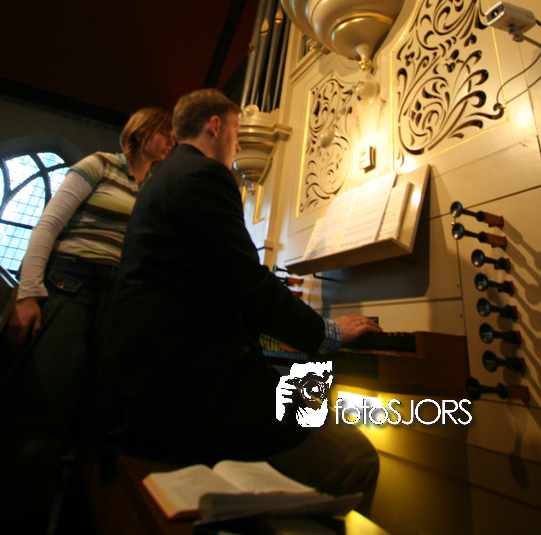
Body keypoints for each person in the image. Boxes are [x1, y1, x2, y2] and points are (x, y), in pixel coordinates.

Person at [95, 89, 382, 513]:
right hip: (187, 396)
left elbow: (225, 286)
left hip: (155, 382)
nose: (238, 146)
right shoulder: (204, 175)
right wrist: (330, 333)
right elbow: (250, 286)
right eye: (237, 133)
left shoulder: (164, 177)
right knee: (356, 457)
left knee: (307, 399)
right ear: (216, 126)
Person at [0, 106, 173, 527]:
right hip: (68, 287)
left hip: (116, 302)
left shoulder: (155, 188)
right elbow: (47, 225)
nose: (171, 140)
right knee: (40, 422)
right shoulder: (100, 165)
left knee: (93, 432)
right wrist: (29, 293)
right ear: (142, 132)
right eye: (165, 132)